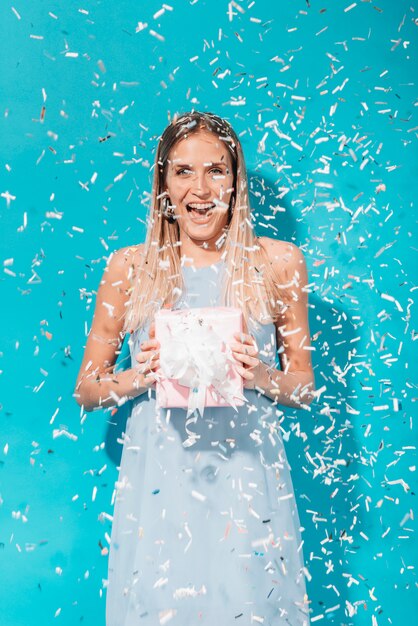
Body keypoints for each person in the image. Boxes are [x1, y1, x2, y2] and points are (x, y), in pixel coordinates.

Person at [74, 110, 316, 625]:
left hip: (248, 488)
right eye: (183, 171)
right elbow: (88, 390)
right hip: (161, 488)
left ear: (236, 180)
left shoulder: (278, 262)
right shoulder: (130, 266)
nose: (200, 188)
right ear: (163, 182)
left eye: (217, 170)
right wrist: (140, 376)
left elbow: (303, 388)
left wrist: (260, 377)